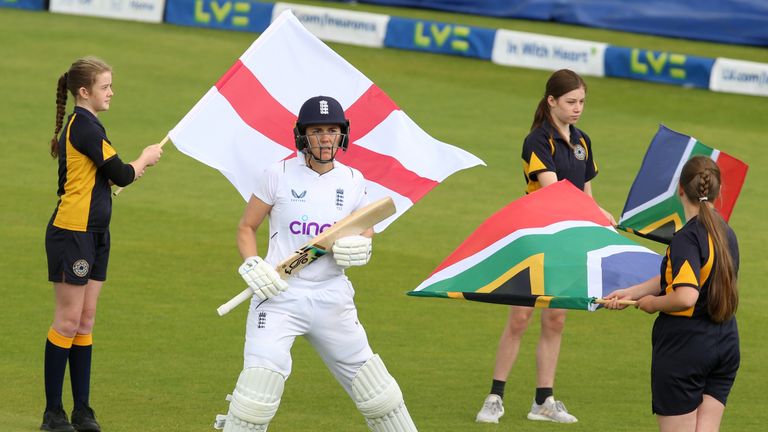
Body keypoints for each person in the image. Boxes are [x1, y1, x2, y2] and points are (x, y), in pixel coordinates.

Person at [217, 96, 417, 432]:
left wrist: (363, 244)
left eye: (332, 131)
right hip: (279, 294)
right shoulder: (278, 174)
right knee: (256, 393)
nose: (325, 138)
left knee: (378, 393)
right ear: (302, 136)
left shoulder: (352, 179)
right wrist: (253, 264)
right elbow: (246, 227)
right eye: (317, 130)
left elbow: (364, 225)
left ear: (342, 135)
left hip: (332, 296)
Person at [476, 69, 615, 424]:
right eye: (571, 102)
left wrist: (597, 216)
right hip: (537, 237)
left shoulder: (583, 141)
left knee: (555, 319)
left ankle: (543, 402)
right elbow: (555, 192)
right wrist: (596, 213)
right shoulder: (537, 140)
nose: (578, 108)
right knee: (520, 317)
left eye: (582, 101)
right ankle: (495, 397)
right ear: (551, 101)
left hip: (568, 240)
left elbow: (585, 191)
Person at [43, 57, 163, 432]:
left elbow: (103, 180)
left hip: (96, 234)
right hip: (73, 233)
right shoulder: (86, 128)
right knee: (66, 320)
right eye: (105, 86)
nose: (111, 92)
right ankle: (53, 413)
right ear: (85, 92)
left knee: (85, 320)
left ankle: (82, 411)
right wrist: (146, 158)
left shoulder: (91, 125)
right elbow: (122, 173)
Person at [603, 155, 740, 432]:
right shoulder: (726, 232)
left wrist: (653, 304)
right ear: (717, 190)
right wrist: (632, 292)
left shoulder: (687, 237)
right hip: (725, 341)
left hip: (685, 347)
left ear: (680, 189)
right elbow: (683, 277)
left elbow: (686, 295)